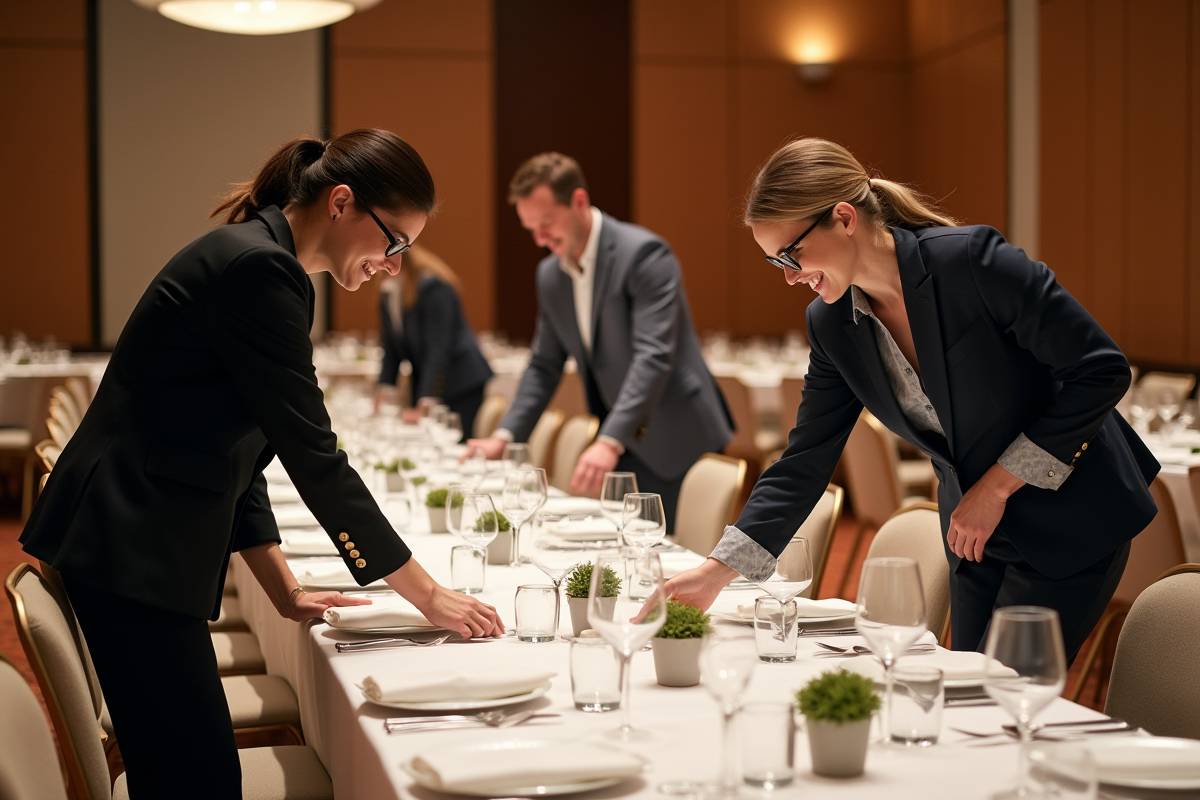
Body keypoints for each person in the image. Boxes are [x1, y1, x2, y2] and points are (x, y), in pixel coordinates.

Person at [19, 129, 504, 798]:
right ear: (341, 203)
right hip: (134, 545)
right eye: (393, 242)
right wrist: (428, 595)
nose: (394, 265)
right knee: (199, 781)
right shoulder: (258, 270)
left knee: (195, 774)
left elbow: (234, 448)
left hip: (137, 537)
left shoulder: (265, 262)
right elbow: (314, 455)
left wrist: (282, 587)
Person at [664, 137, 1158, 662]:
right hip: (974, 535)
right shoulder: (832, 323)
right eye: (774, 263)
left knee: (1005, 704)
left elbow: (1100, 370)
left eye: (792, 254)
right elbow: (805, 461)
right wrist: (716, 572)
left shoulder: (972, 263)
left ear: (845, 218)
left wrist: (995, 488)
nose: (790, 276)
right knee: (968, 700)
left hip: (1071, 520)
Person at [464, 152, 732, 532]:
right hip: (621, 437)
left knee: (675, 559)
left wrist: (609, 440)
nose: (540, 240)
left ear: (578, 201)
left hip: (674, 431)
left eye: (546, 224)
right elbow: (543, 365)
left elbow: (653, 356)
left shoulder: (643, 255)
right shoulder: (551, 275)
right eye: (531, 229)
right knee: (629, 551)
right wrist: (505, 437)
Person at [376, 244, 492, 437]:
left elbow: (438, 348)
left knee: (452, 447)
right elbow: (391, 350)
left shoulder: (432, 287)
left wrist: (426, 400)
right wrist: (383, 390)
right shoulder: (388, 292)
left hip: (460, 380)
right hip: (429, 379)